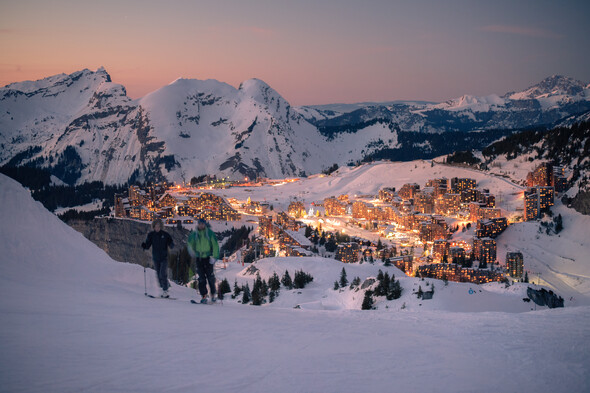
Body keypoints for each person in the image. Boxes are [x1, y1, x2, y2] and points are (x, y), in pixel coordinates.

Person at [187, 218, 220, 303]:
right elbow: (190, 243)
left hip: (208, 258)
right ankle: (204, 296)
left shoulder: (209, 233)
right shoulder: (195, 234)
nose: (201, 225)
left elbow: (215, 245)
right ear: (198, 224)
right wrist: (192, 252)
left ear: (205, 224)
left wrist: (214, 257)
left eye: (202, 224)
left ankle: (212, 294)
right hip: (199, 258)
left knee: (210, 277)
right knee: (201, 278)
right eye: (200, 224)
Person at [142, 218, 174, 298]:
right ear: (153, 227)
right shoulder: (151, 235)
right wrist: (144, 246)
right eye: (156, 226)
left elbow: (170, 241)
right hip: (156, 257)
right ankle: (163, 289)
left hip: (164, 257)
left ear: (161, 227)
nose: (157, 228)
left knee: (162, 273)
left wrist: (171, 244)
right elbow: (148, 245)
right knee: (158, 275)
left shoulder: (165, 234)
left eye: (159, 226)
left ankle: (165, 290)